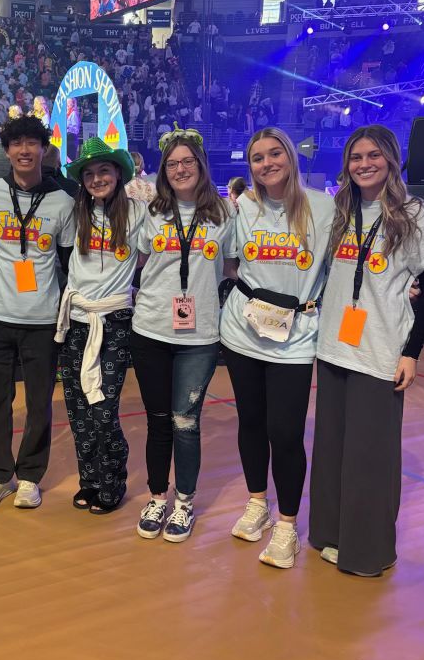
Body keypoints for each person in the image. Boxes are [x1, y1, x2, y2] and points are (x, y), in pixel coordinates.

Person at [310, 126, 424, 576]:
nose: (364, 164)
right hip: (334, 346)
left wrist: (412, 352)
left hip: (381, 348)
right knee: (332, 449)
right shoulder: (341, 210)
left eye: (373, 156)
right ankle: (331, 533)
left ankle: (367, 551)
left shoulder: (414, 212)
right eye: (356, 156)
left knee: (370, 456)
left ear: (391, 159)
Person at [220, 127, 334, 569]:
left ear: (289, 156)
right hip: (243, 331)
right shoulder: (244, 206)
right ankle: (257, 503)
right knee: (250, 423)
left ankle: (287, 525)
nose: (266, 164)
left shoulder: (323, 208)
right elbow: (230, 261)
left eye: (274, 154)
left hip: (296, 336)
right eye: (257, 158)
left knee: (285, 433)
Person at [131, 128, 237, 542]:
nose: (180, 169)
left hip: (199, 336)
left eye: (187, 162)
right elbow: (135, 264)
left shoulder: (225, 214)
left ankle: (185, 501)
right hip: (151, 329)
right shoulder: (150, 213)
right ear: (164, 171)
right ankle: (158, 495)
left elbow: (234, 271)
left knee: (186, 421)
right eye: (172, 163)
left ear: (201, 166)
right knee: (158, 422)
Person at [0, 114, 75, 509]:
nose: (25, 151)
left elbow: (67, 264)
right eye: (17, 144)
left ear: (44, 150)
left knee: (38, 403)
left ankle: (31, 474)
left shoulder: (63, 202)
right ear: (7, 151)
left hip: (42, 321)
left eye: (32, 143)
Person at [55, 138, 142, 514]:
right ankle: (89, 481)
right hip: (76, 320)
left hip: (114, 321)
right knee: (77, 410)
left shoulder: (139, 213)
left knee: (103, 409)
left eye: (104, 170)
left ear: (118, 173)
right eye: (88, 173)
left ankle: (114, 478)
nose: (96, 179)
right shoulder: (75, 213)